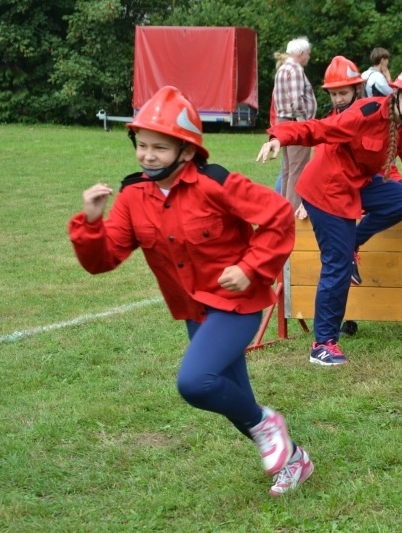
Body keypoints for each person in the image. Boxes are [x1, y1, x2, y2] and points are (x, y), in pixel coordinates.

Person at [67, 86, 312, 497]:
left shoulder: (215, 183)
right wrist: (91, 222)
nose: (147, 155)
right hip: (194, 310)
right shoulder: (132, 196)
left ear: (185, 150)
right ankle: (294, 461)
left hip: (237, 303)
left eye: (159, 147)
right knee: (233, 395)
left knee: (196, 382)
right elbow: (103, 260)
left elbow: (278, 216)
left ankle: (268, 425)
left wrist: (249, 267)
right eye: (141, 145)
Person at [255, 63, 402, 365]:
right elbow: (320, 129)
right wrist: (280, 136)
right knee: (338, 266)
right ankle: (323, 343)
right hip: (326, 189)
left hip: (357, 185)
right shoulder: (366, 112)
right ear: (396, 94)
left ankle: (353, 241)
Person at [273, 37, 317, 212]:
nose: (308, 57)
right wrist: (303, 124)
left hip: (282, 122)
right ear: (300, 53)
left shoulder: (282, 69)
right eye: (308, 54)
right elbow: (297, 100)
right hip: (295, 123)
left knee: (287, 168)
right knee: (298, 169)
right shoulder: (296, 70)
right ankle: (293, 212)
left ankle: (284, 209)